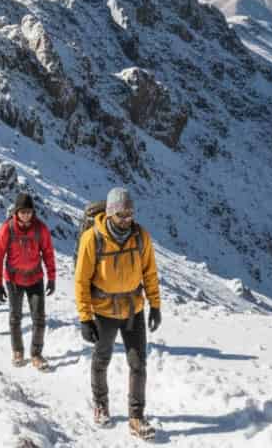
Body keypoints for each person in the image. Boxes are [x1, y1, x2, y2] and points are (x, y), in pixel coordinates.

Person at [75, 188, 161, 440]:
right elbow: (81, 281)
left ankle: (136, 416)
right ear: (111, 213)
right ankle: (101, 404)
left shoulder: (141, 236)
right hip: (104, 311)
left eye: (130, 214)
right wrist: (85, 318)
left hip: (134, 310)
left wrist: (155, 306)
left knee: (138, 364)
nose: (127, 219)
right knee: (101, 360)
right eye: (122, 214)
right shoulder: (92, 238)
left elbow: (150, 273)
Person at [0, 193, 56, 370]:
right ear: (16, 212)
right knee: (15, 317)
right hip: (14, 279)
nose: (26, 215)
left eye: (29, 212)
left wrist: (51, 278)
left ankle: (36, 354)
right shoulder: (7, 229)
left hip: (35, 278)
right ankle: (17, 351)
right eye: (23, 212)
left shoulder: (40, 228)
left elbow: (48, 253)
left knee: (39, 318)